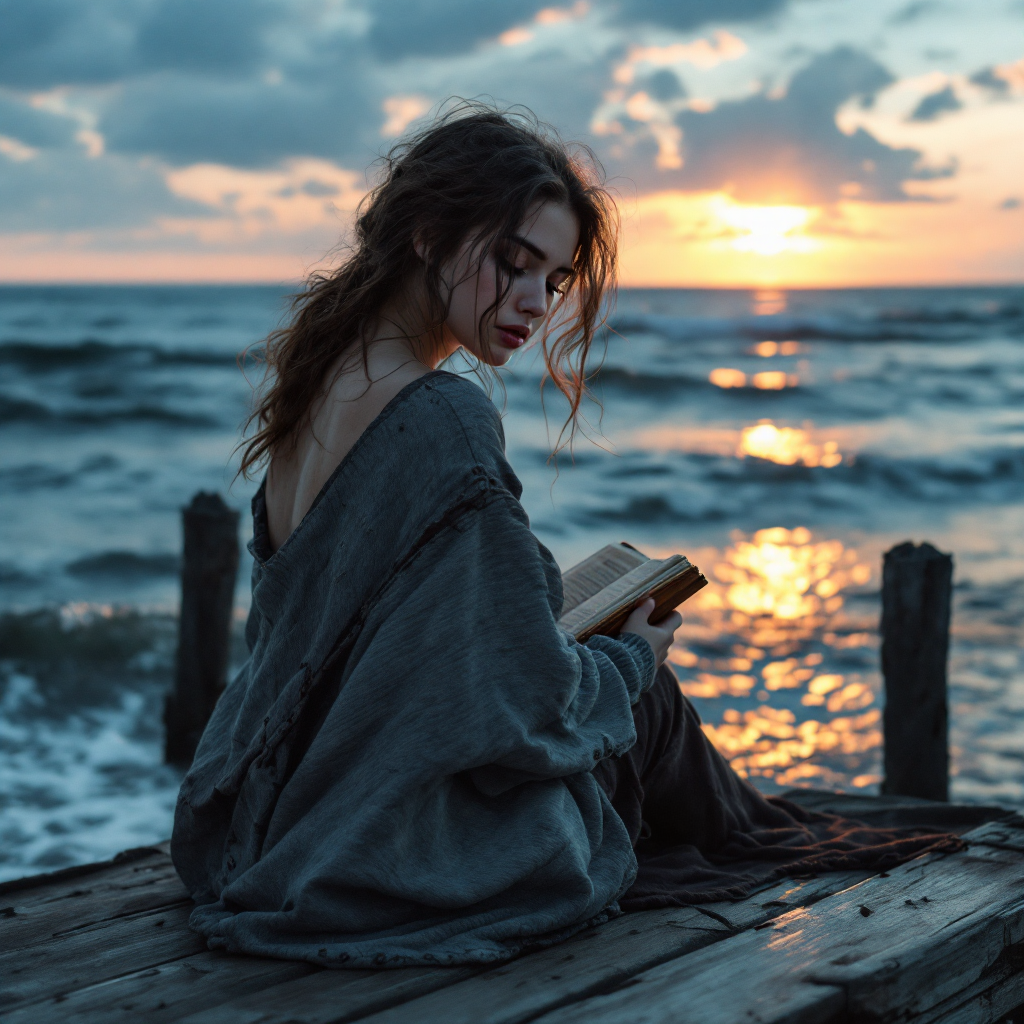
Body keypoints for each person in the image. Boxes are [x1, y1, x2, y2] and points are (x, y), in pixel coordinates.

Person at [171, 103, 959, 969]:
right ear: (429, 234)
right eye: (513, 264)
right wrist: (633, 659)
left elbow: (342, 648)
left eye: (553, 280)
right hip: (376, 829)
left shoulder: (318, 386)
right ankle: (784, 850)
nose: (534, 304)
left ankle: (765, 833)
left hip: (271, 811)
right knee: (644, 696)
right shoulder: (440, 413)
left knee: (625, 695)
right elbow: (525, 702)